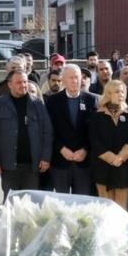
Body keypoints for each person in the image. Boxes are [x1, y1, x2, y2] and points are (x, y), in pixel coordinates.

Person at [0, 70, 52, 193]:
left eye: (24, 82)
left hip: (32, 165)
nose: (23, 85)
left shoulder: (37, 103)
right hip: (9, 165)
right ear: (9, 84)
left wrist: (45, 158)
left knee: (29, 205)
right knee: (11, 203)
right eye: (19, 82)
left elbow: (47, 132)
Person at [47, 64, 99, 195]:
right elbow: (49, 130)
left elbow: (95, 131)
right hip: (60, 162)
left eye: (77, 77)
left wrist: (85, 149)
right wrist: (61, 148)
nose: (74, 81)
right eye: (70, 77)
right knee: (62, 204)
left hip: (83, 162)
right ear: (63, 80)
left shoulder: (92, 100)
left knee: (82, 205)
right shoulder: (52, 101)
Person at [89, 80, 128, 207]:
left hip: (123, 167)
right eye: (117, 91)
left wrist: (120, 158)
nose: (121, 94)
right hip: (103, 168)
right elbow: (94, 141)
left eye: (123, 91)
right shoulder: (97, 116)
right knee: (106, 208)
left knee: (121, 209)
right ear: (109, 93)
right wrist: (111, 158)